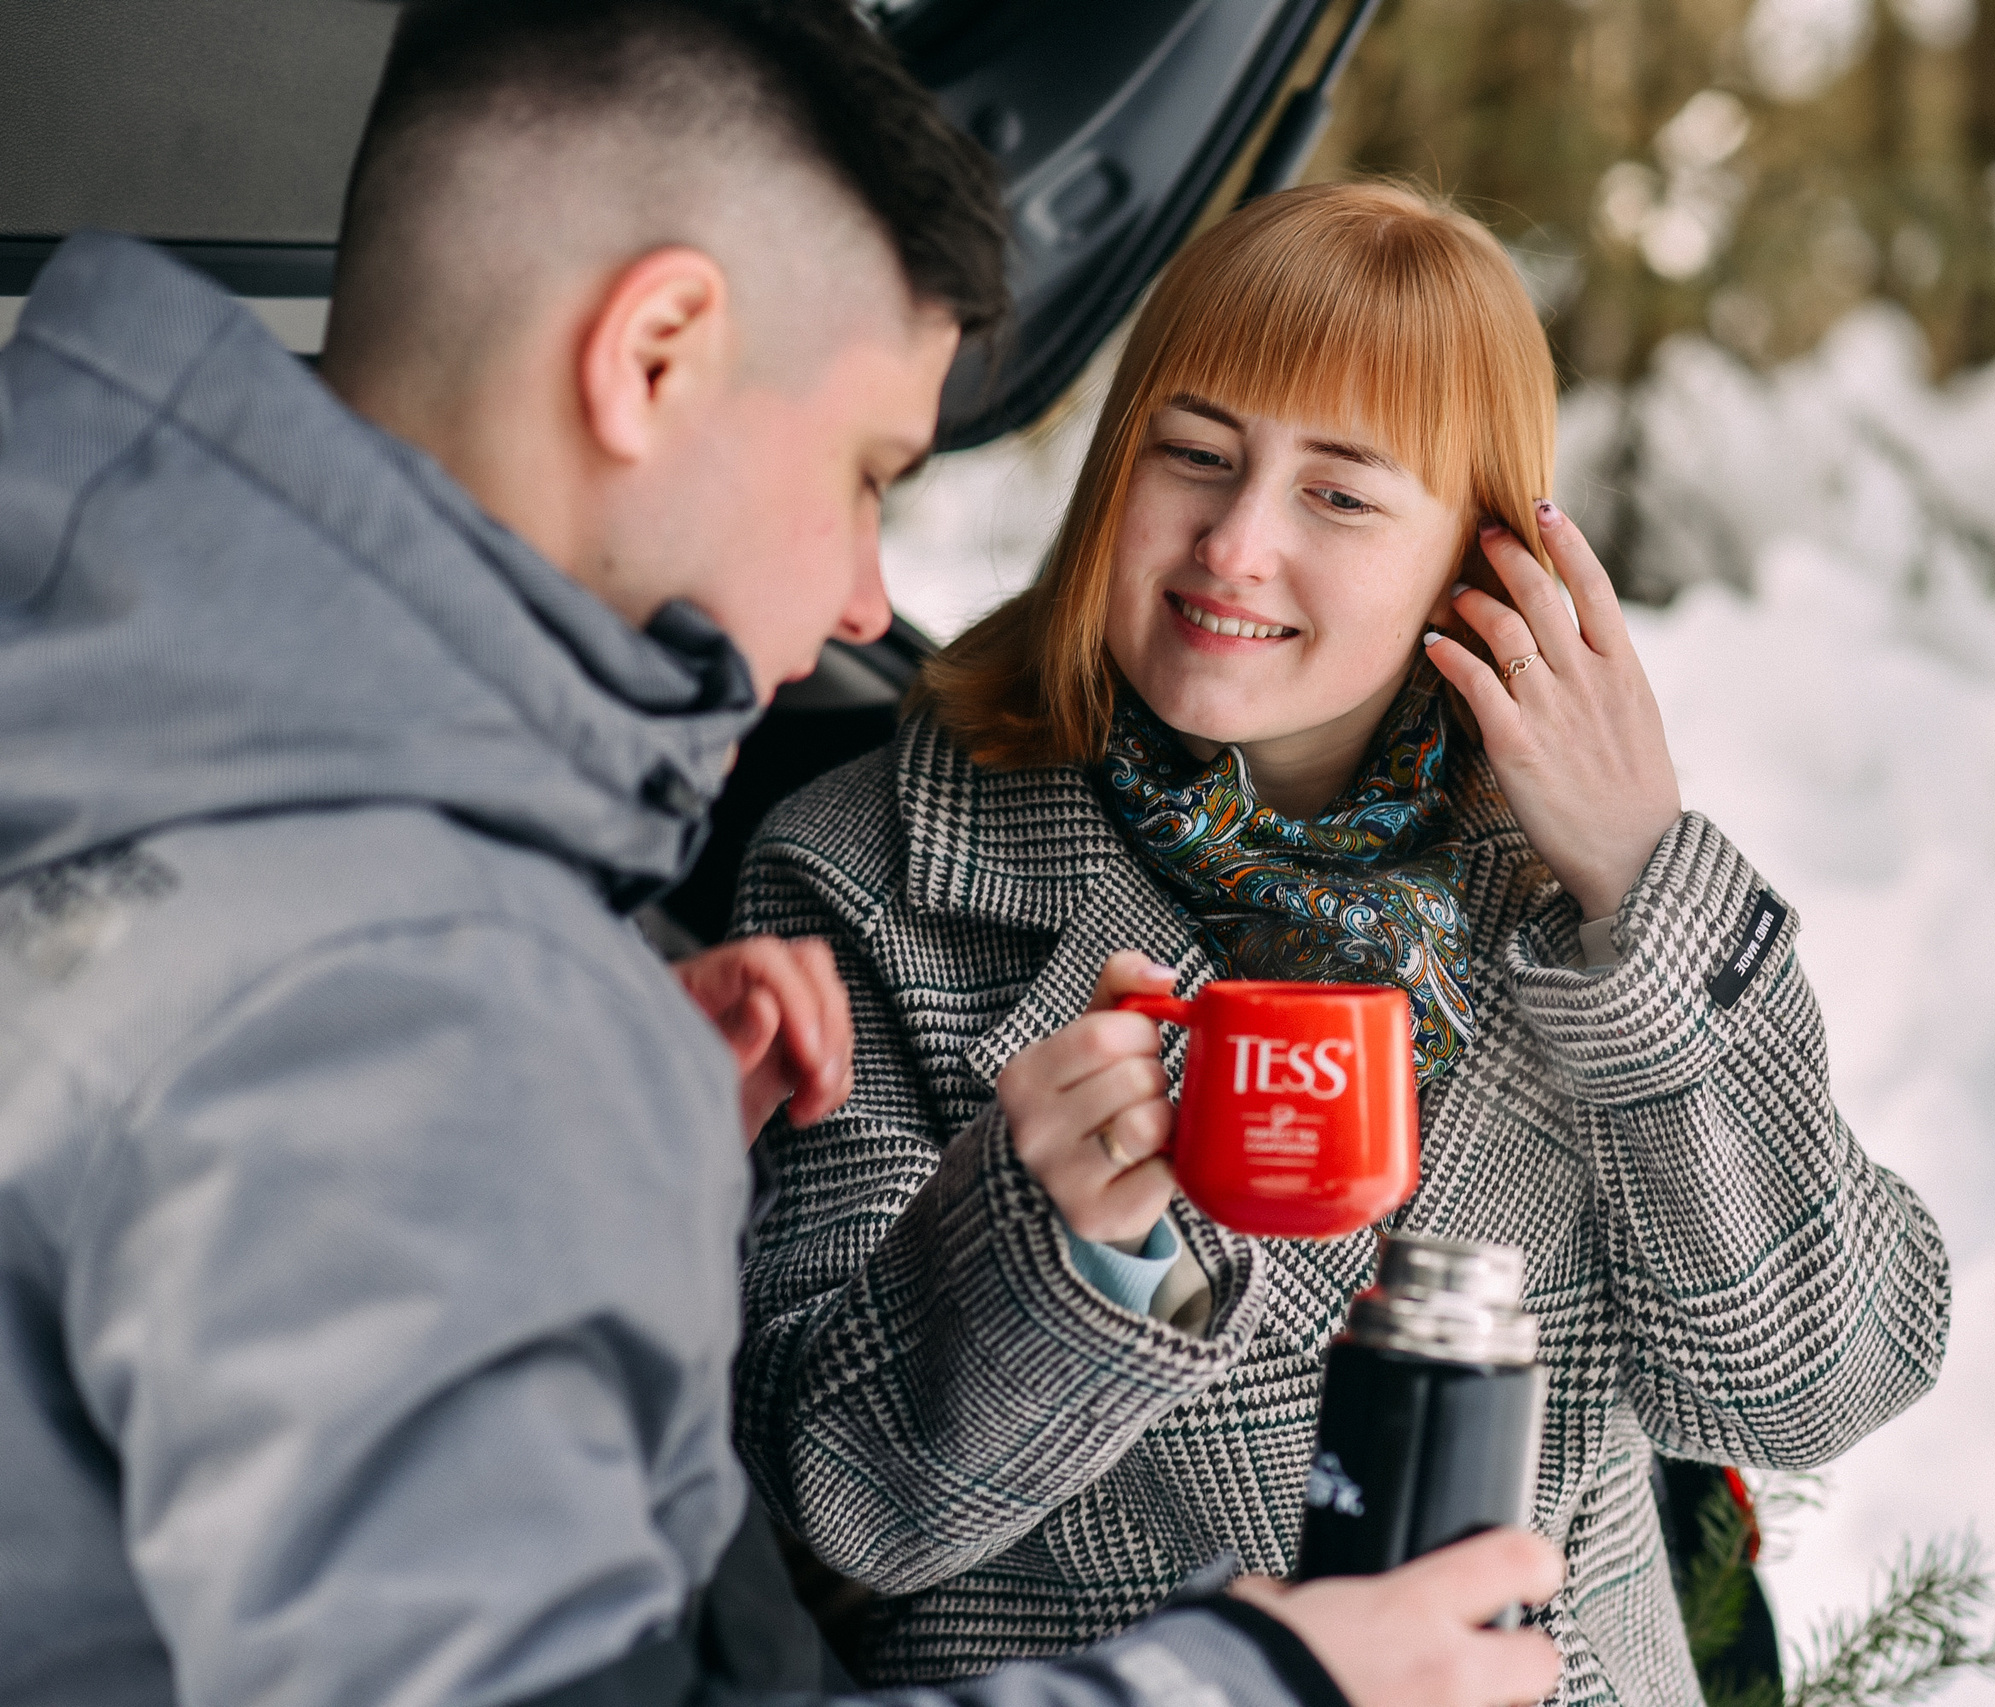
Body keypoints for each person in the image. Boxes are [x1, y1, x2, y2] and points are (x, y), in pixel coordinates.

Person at [0, 5, 1563, 1705]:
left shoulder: (142, 784)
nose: (863, 604)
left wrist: (596, 1144)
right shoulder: (422, 992)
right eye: (867, 471)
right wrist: (1260, 1688)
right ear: (654, 353)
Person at [730, 181, 1956, 1703]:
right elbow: (836, 1501)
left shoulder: (1579, 898)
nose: (1235, 545)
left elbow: (1810, 1387)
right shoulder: (872, 874)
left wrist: (1638, 890)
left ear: (1482, 558)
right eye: (1196, 455)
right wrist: (1061, 1248)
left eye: (1341, 494)